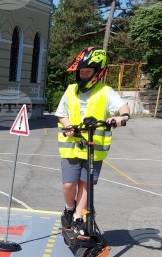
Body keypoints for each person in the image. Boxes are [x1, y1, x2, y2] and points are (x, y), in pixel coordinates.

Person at [55, 46, 130, 235]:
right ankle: (69, 208)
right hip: (72, 146)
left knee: (85, 184)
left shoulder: (106, 92)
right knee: (68, 184)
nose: (84, 75)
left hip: (94, 148)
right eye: (82, 72)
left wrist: (122, 117)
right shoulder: (71, 90)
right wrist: (68, 125)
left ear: (98, 72)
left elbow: (123, 106)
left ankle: (78, 217)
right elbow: (61, 113)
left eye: (88, 72)